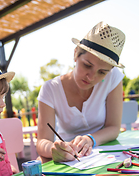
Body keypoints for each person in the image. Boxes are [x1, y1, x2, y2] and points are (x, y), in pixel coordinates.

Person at [36, 21, 126, 163]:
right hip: (67, 157)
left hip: (102, 152)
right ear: (76, 54)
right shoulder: (50, 89)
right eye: (87, 65)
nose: (91, 77)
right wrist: (54, 148)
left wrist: (91, 139)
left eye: (102, 72)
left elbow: (114, 127)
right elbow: (42, 141)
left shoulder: (113, 78)